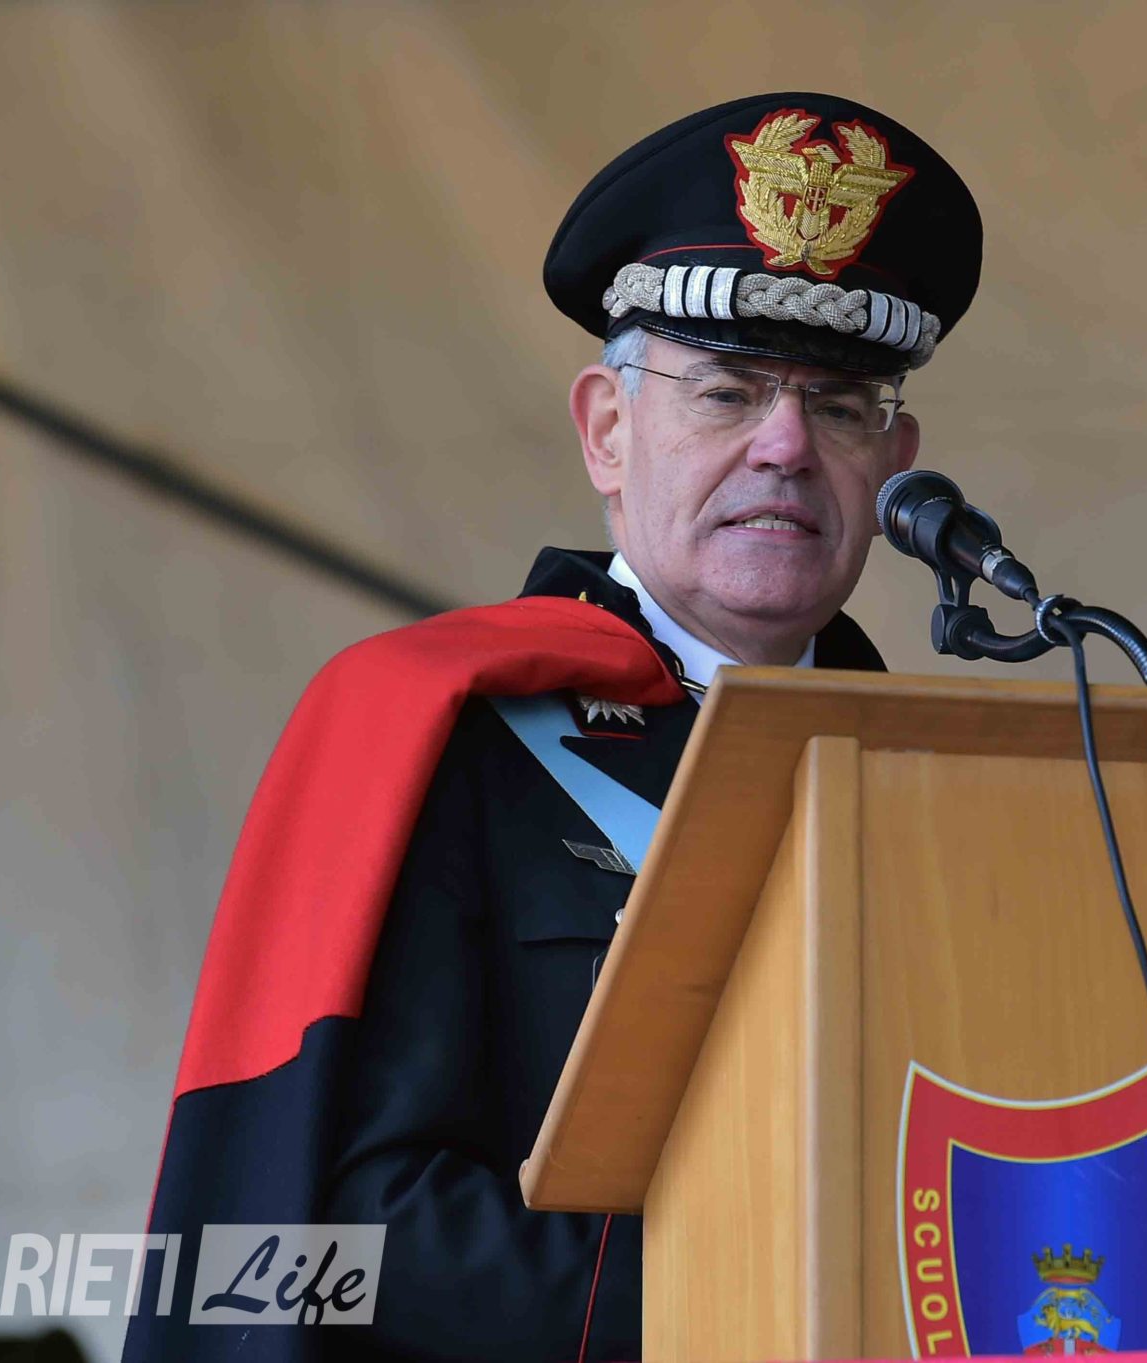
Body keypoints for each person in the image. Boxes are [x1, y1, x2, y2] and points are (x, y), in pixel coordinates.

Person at [126, 91, 981, 1363]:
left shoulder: (950, 784)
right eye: (727, 392)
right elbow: (345, 1221)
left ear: (894, 462)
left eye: (840, 406)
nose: (785, 446)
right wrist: (758, 1301)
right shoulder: (442, 735)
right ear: (607, 431)